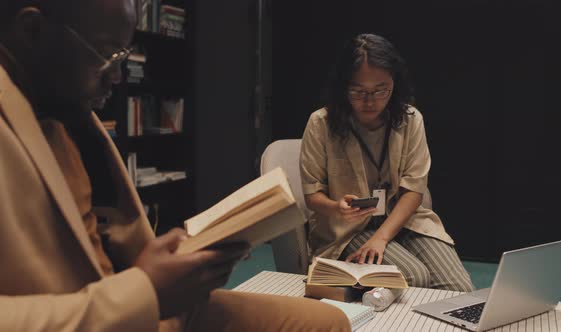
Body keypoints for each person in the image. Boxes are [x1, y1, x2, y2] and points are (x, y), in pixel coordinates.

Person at [0, 1, 349, 331]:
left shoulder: (63, 110)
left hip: (148, 308)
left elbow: (107, 236)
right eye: (106, 55)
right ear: (31, 31)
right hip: (107, 314)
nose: (118, 77)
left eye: (123, 56)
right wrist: (144, 291)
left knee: (329, 322)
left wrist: (182, 256)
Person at [300, 33, 474, 292]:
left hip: (404, 221)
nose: (369, 101)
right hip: (347, 229)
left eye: (381, 90)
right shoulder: (321, 123)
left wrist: (381, 237)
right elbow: (312, 195)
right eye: (358, 91)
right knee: (413, 278)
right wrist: (337, 207)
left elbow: (414, 190)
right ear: (342, 86)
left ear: (395, 84)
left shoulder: (410, 119)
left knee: (459, 289)